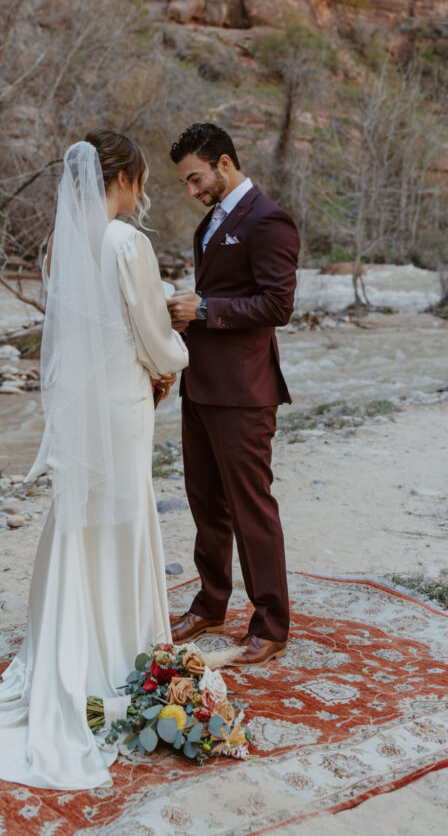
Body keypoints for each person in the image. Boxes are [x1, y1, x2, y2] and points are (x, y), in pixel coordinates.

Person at [0, 131, 188, 789]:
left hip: (82, 404)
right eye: (139, 182)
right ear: (123, 179)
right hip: (123, 401)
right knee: (125, 514)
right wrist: (174, 360)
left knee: (80, 514)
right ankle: (121, 652)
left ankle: (69, 643)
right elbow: (148, 331)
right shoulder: (124, 242)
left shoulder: (62, 246)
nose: (141, 194)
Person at [166, 122, 299, 667]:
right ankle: (210, 605)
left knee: (251, 509)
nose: (192, 191)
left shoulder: (270, 221)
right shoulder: (208, 226)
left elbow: (277, 306)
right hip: (200, 385)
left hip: (244, 392)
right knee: (205, 506)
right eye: (185, 183)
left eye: (196, 178)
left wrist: (203, 309)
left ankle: (271, 624)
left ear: (224, 163)